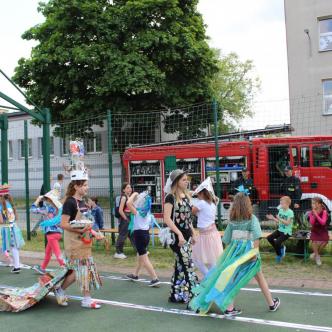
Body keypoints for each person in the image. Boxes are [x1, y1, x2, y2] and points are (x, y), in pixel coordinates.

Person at [189, 192, 280, 316]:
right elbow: (257, 238)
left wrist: (227, 256)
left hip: (234, 252)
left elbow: (226, 239)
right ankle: (271, 304)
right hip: (249, 252)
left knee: (230, 278)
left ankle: (227, 307)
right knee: (259, 277)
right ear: (247, 204)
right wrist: (254, 253)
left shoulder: (232, 220)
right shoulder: (251, 218)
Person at [56, 175, 103, 309]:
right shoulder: (70, 202)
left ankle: (65, 291)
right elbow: (63, 224)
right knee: (81, 270)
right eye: (84, 185)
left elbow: (85, 223)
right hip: (74, 243)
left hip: (84, 243)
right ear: (76, 186)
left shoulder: (83, 202)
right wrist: (80, 231)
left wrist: (94, 233)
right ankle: (67, 292)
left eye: (87, 185)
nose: (87, 187)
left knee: (83, 269)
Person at [164, 169, 198, 303]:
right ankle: (196, 297)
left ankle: (175, 295)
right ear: (176, 182)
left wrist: (193, 233)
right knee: (188, 266)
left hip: (187, 237)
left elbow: (188, 219)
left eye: (187, 179)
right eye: (184, 180)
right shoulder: (170, 197)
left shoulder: (187, 196)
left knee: (180, 265)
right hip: (177, 238)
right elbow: (167, 219)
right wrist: (179, 234)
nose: (187, 181)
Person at [125, 192, 160, 287]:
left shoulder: (138, 212)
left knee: (144, 259)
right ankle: (135, 275)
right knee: (140, 256)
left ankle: (154, 278)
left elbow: (128, 203)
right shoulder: (147, 212)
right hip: (145, 235)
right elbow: (132, 203)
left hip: (139, 235)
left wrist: (134, 194)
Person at [191, 177, 223, 277]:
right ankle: (212, 279)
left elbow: (191, 211)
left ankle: (209, 278)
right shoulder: (212, 203)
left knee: (196, 258)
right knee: (211, 260)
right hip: (212, 234)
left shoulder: (201, 203)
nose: (197, 195)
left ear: (203, 193)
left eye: (199, 193)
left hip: (205, 235)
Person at [30, 190, 65, 274]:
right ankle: (42, 268)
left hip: (51, 234)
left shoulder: (46, 208)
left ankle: (64, 267)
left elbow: (32, 209)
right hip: (58, 233)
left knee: (57, 253)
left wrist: (38, 200)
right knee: (48, 252)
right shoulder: (59, 208)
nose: (46, 200)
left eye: (48, 198)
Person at [0, 184, 25, 274]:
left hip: (7, 228)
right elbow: (15, 218)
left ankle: (17, 266)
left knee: (12, 247)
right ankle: (16, 266)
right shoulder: (10, 204)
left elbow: (1, 221)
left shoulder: (1, 206)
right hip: (14, 226)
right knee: (14, 247)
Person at [266, 196, 294, 263]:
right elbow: (279, 221)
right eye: (280, 203)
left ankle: (279, 255)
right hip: (280, 230)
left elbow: (287, 223)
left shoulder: (290, 212)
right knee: (269, 238)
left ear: (287, 204)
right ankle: (281, 248)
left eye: (282, 204)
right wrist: (272, 218)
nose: (280, 205)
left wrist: (279, 218)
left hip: (286, 232)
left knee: (277, 242)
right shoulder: (281, 210)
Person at [114, 182, 134, 259]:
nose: (130, 189)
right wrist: (126, 219)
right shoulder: (124, 197)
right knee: (123, 235)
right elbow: (120, 210)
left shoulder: (129, 197)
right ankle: (118, 252)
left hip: (129, 218)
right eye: (127, 188)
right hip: (125, 219)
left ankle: (139, 250)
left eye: (130, 187)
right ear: (123, 190)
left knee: (132, 235)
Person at [308, 197, 329, 266]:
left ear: (319, 204)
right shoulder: (311, 212)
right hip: (315, 230)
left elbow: (323, 223)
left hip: (323, 229)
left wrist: (316, 215)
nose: (312, 205)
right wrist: (314, 214)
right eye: (312, 203)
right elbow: (312, 223)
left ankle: (315, 254)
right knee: (314, 241)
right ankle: (317, 257)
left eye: (314, 203)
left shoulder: (324, 212)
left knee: (325, 241)